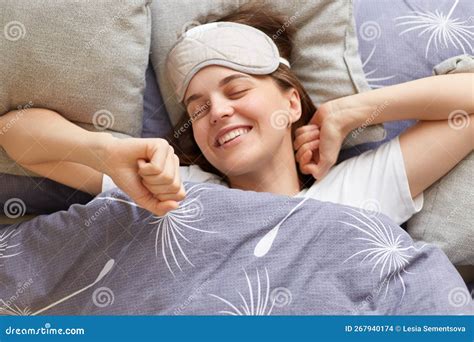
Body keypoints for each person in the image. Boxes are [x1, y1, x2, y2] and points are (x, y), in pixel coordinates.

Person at [0, 5, 472, 225]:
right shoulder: (169, 189)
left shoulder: (356, 189)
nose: (217, 113)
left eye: (237, 89)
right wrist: (106, 152)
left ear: (291, 103)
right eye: (198, 107)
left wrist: (353, 109)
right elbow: (15, 133)